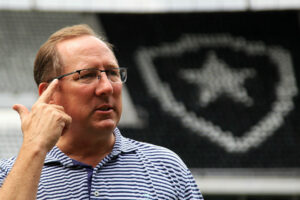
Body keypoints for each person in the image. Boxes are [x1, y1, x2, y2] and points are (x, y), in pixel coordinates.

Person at [0, 24, 204, 199]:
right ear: (49, 93)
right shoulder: (8, 176)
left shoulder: (167, 168)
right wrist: (34, 148)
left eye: (113, 73)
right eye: (87, 75)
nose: (107, 87)